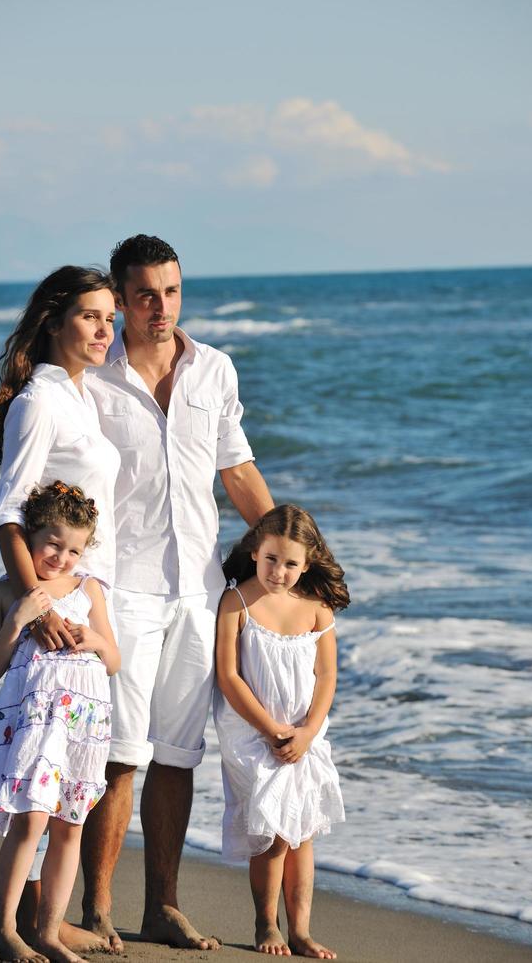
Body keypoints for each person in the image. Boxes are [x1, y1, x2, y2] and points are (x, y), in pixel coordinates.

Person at [81, 234, 274, 952]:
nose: (160, 307)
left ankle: (161, 905)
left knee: (176, 756)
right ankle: (96, 908)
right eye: (144, 295)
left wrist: (297, 548)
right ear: (120, 296)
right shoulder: (90, 374)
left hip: (198, 591)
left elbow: (238, 470)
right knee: (118, 755)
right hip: (117, 589)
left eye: (171, 291)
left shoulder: (213, 369)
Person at [0, 265, 121, 955]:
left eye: (110, 318)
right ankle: (10, 926)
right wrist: (36, 607)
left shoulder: (81, 392)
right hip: (53, 618)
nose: (105, 329)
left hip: (82, 605)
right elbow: (8, 512)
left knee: (70, 792)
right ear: (54, 322)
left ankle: (45, 924)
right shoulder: (39, 399)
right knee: (38, 795)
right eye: (92, 317)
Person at [0, 481, 121, 963]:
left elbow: (115, 659)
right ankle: (5, 927)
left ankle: (50, 932)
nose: (61, 557)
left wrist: (94, 639)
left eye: (74, 549)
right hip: (36, 723)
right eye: (52, 544)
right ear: (29, 538)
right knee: (31, 818)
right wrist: (18, 619)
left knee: (69, 825)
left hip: (83, 727)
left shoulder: (89, 589)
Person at [214, 505, 349, 959]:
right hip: (253, 733)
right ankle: (265, 924)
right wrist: (272, 730)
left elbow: (327, 677)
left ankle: (302, 931)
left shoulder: (316, 608)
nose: (280, 571)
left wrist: (307, 732)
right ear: (255, 552)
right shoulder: (238, 601)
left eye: (291, 563)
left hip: (304, 736)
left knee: (302, 832)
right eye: (272, 559)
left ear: (307, 564)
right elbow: (229, 677)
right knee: (273, 835)